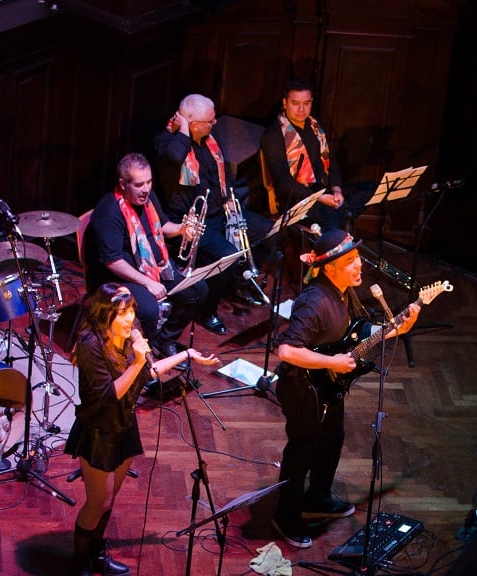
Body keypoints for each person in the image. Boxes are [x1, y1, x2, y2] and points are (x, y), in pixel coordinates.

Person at [63, 283, 219, 576]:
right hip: (98, 432)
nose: (130, 318)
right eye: (122, 313)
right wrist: (136, 361)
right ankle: (79, 566)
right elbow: (109, 395)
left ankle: (96, 552)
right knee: (98, 502)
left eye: (131, 311)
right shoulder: (91, 344)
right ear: (104, 315)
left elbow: (148, 373)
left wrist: (186, 354)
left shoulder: (128, 339)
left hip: (123, 426)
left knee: (111, 500)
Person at [270, 228, 419, 547]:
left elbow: (356, 335)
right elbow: (286, 351)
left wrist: (393, 330)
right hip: (302, 389)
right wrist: (332, 363)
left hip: (326, 385)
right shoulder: (314, 301)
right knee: (301, 452)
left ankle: (318, 498)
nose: (359, 266)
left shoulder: (344, 292)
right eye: (351, 260)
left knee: (331, 441)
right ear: (330, 267)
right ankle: (285, 516)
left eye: (357, 259)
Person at [151, 93, 274, 336]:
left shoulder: (208, 139)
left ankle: (238, 283)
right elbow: (176, 156)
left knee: (267, 231)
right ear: (193, 124)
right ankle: (207, 311)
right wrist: (184, 129)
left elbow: (224, 169)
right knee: (227, 257)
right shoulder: (165, 141)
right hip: (194, 223)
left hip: (221, 211)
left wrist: (228, 196)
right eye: (210, 120)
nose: (215, 123)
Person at [83, 152, 206, 364]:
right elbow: (112, 261)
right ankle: (137, 362)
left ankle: (162, 340)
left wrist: (182, 230)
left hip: (151, 268)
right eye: (139, 184)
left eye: (149, 182)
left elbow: (162, 226)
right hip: (116, 277)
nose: (146, 189)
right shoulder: (109, 212)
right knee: (148, 310)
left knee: (197, 290)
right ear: (123, 184)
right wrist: (148, 283)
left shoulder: (148, 199)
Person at [258, 79, 350, 233]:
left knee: (366, 192)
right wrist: (319, 198)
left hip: (322, 190)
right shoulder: (273, 135)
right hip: (295, 197)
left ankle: (340, 243)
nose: (301, 109)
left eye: (306, 103)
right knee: (333, 215)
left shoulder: (315, 126)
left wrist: (336, 189)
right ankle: (333, 250)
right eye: (295, 103)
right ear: (285, 102)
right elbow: (283, 183)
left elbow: (331, 162)